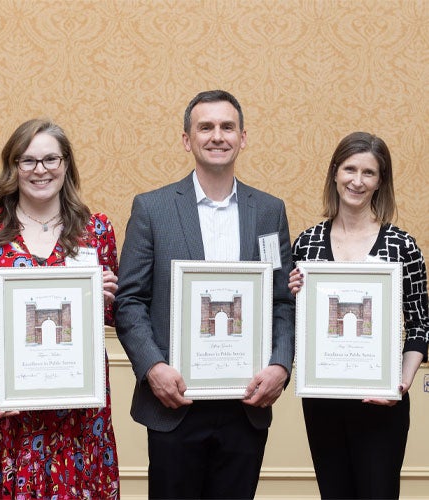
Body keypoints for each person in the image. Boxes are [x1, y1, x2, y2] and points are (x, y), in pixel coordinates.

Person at [114, 90, 295, 499]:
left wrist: (280, 366)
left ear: (243, 137)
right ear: (187, 139)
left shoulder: (269, 211)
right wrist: (153, 367)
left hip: (246, 403)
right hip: (173, 402)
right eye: (206, 127)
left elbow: (281, 300)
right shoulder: (152, 209)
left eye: (227, 127)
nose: (217, 136)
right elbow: (129, 301)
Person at [0, 119, 120, 498]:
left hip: (75, 419)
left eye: (51, 159)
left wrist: (107, 299)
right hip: (0, 409)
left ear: (66, 164)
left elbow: (114, 317)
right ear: (13, 165)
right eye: (28, 160)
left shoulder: (95, 231)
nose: (41, 170)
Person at [289, 131, 429, 499]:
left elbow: (420, 322)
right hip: (322, 399)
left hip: (381, 401)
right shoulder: (307, 243)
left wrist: (399, 383)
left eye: (369, 172)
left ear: (381, 181)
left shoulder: (402, 245)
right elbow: (293, 318)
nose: (357, 180)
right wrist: (292, 293)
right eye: (350, 168)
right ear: (335, 172)